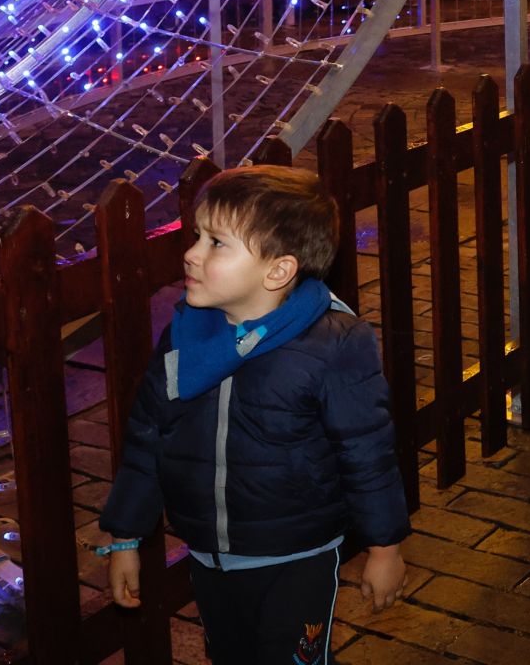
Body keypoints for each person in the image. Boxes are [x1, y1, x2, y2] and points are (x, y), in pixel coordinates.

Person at [98, 166, 408, 662]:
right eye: (197, 236)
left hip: (296, 558)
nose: (191, 254)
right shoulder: (186, 338)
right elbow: (147, 439)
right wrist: (125, 537)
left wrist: (384, 548)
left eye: (216, 243)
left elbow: (368, 452)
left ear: (278, 270)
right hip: (208, 556)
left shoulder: (334, 344)